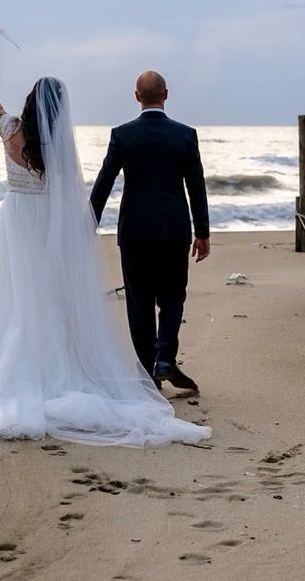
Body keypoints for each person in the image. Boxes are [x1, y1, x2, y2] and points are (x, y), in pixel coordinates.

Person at [0, 40, 210, 447]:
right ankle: (127, 363)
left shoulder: (10, 131)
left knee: (13, 298)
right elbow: (81, 190)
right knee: (54, 298)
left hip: (16, 226)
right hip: (55, 228)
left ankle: (18, 373)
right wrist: (81, 228)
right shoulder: (60, 150)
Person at [89, 70, 210, 392]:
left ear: (136, 96)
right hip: (173, 230)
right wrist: (203, 232)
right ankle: (165, 358)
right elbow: (196, 187)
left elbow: (104, 182)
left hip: (135, 232)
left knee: (139, 302)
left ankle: (147, 376)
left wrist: (87, 223)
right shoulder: (185, 135)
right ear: (166, 95)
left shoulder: (123, 135)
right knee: (173, 297)